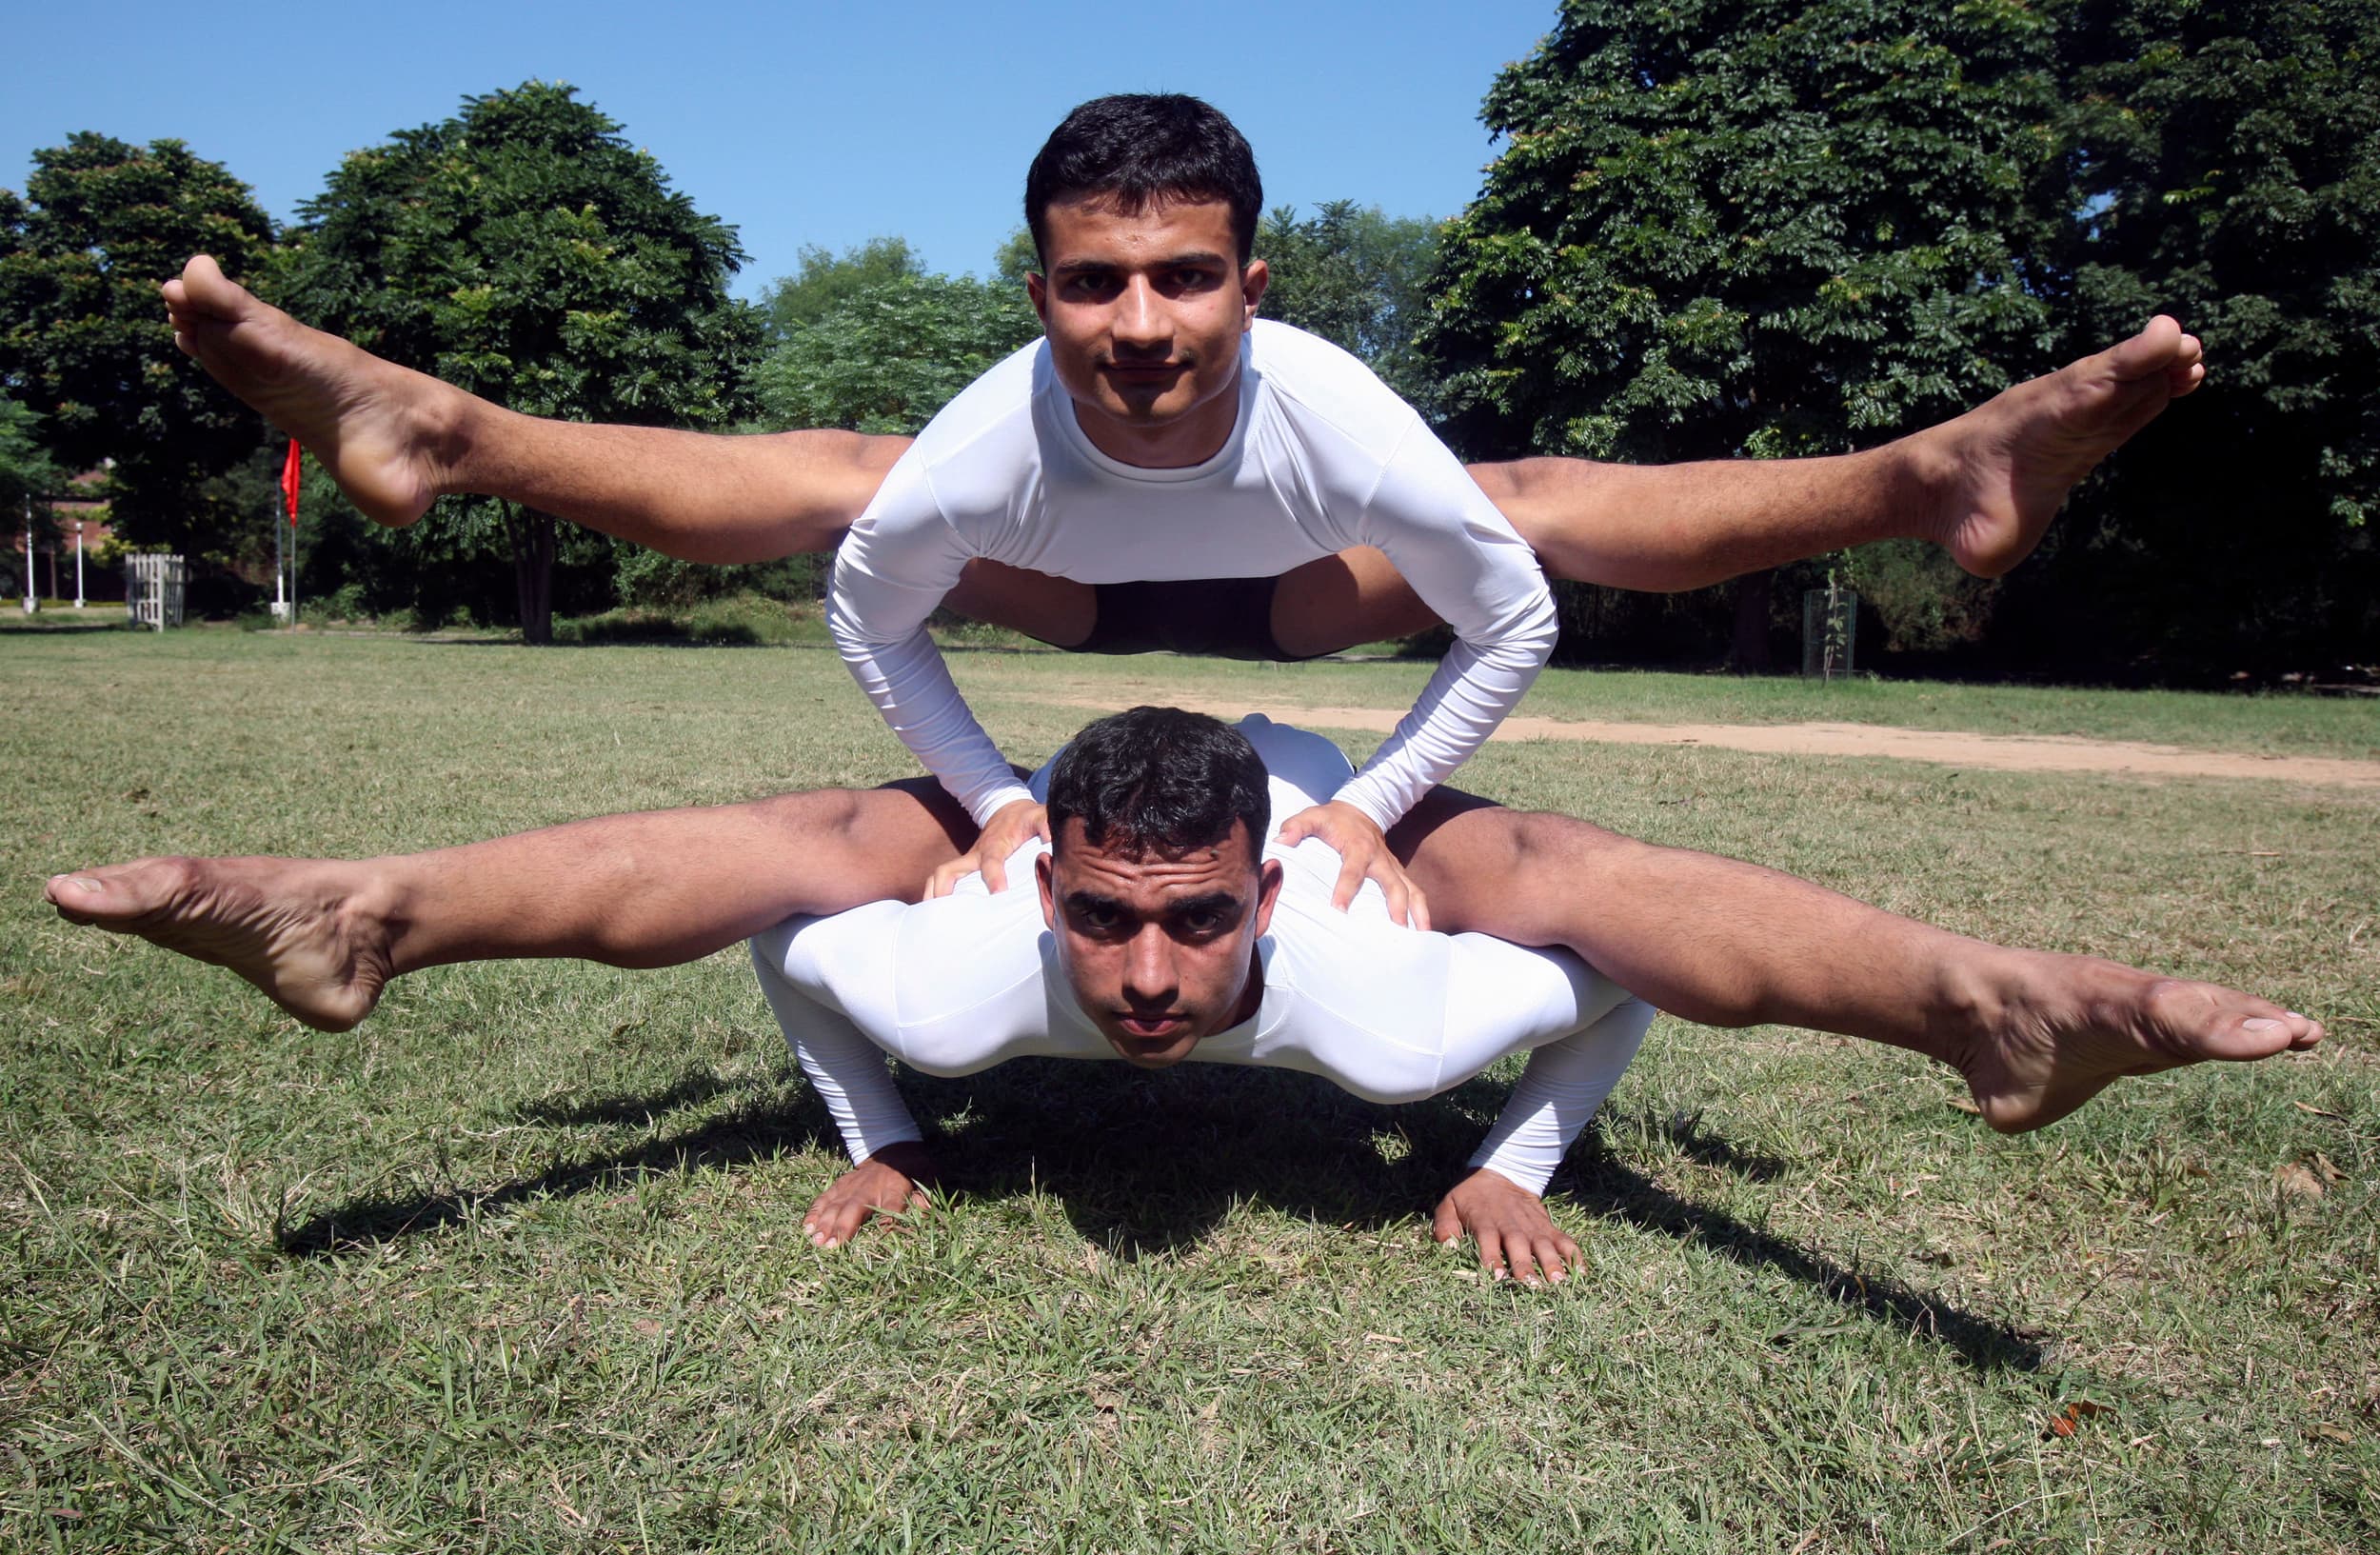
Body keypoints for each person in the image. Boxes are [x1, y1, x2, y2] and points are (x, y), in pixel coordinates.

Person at [156, 94, 2207, 926]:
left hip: (1312, 606)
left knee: (1517, 501)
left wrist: (1366, 808)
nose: (1138, 326)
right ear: (1034, 284)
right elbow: (869, 620)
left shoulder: (1337, 412)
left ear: (1253, 275)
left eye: (1185, 277)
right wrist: (985, 795)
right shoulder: (986, 439)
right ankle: (451, 427)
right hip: (1064, 606)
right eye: (1089, 283)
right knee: (863, 487)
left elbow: (1512, 616)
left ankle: (1927, 472)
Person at [44, 708, 2322, 1286]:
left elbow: (1610, 982)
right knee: (812, 839)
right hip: (1065, 792)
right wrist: (895, 1137)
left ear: (1252, 903)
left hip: (1340, 803)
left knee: (1548, 880)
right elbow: (784, 947)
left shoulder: (1364, 1002)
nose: (1146, 982)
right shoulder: (961, 964)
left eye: (1187, 932)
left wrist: (1511, 1143)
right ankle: (366, 909)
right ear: (1048, 882)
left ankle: (1986, 1006)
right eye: (1107, 928)